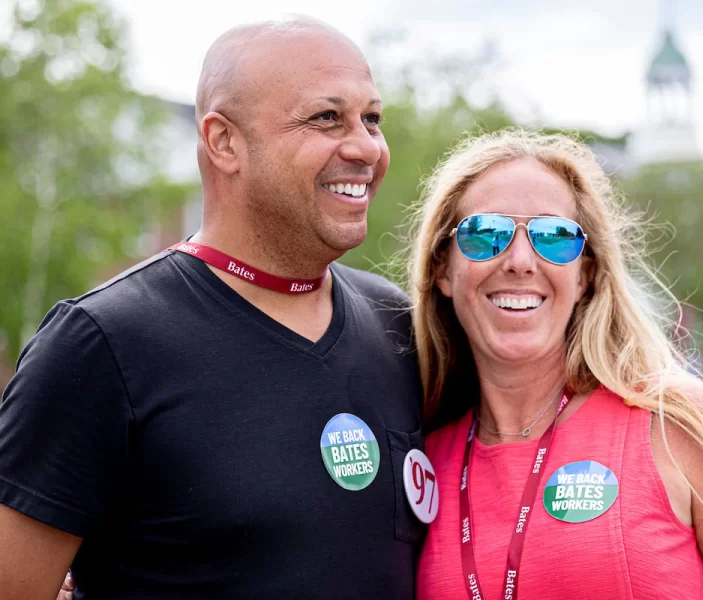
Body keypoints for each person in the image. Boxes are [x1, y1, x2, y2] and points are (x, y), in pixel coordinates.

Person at [0, 18, 425, 600]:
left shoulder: (401, 326)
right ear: (224, 142)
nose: (365, 147)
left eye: (371, 118)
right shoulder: (102, 344)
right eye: (326, 118)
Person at [405, 130, 703, 599]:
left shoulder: (673, 423)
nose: (520, 260)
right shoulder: (423, 460)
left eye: (553, 236)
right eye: (485, 234)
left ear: (586, 274)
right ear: (442, 269)